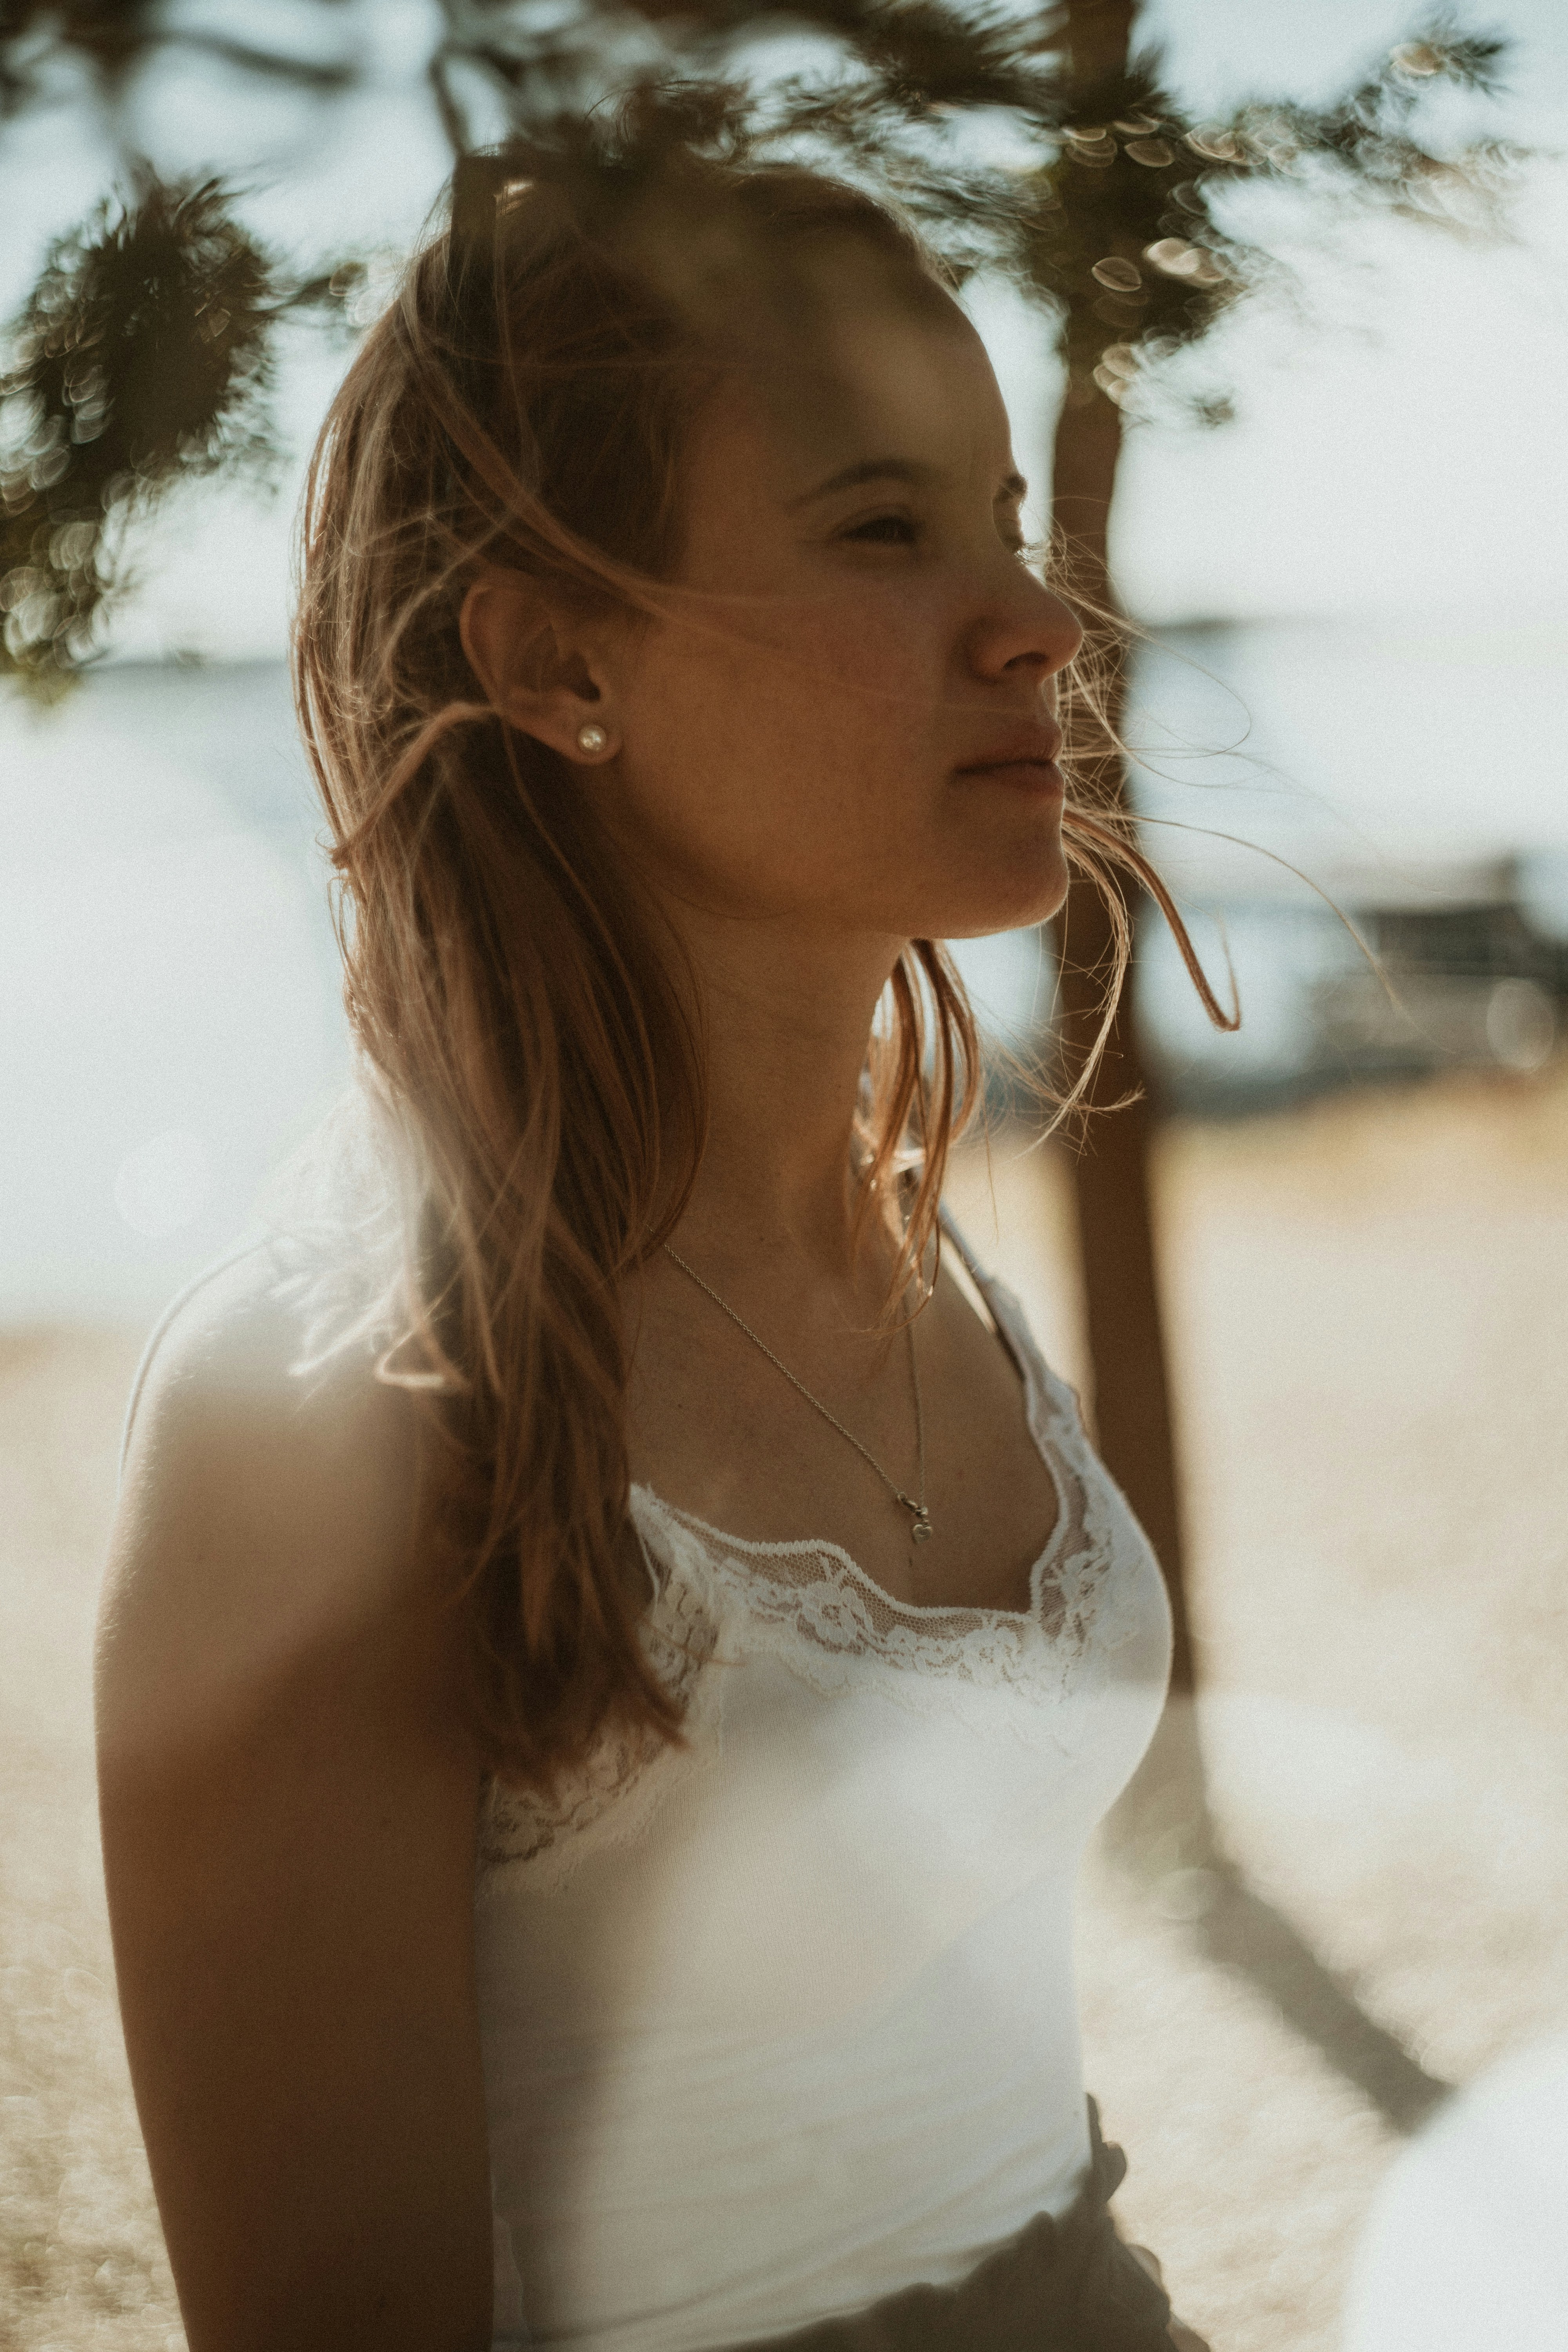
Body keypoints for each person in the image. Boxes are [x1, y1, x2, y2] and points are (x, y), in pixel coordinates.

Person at [96, 100, 1215, 2352]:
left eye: (1006, 522)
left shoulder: (920, 1249)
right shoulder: (321, 1416)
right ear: (558, 665)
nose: (1040, 621)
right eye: (885, 528)